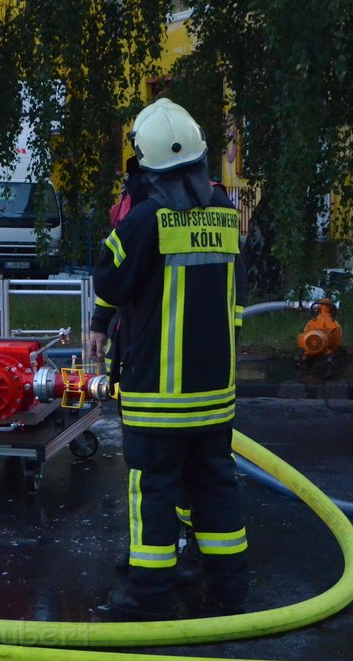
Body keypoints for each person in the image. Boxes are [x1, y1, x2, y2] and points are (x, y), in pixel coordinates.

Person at [93, 98, 248, 620]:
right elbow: (236, 298)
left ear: (145, 164)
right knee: (214, 486)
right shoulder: (227, 216)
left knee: (153, 492)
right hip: (215, 393)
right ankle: (228, 590)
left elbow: (109, 277)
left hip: (158, 394)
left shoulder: (144, 222)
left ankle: (148, 595)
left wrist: (130, 204)